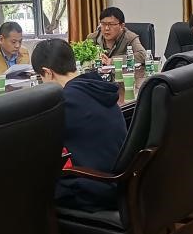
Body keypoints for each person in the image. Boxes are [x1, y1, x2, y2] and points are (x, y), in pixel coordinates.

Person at [32, 39, 126, 212]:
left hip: (96, 190)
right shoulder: (98, 86)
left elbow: (38, 142)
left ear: (48, 72)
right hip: (120, 183)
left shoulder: (66, 101)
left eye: (41, 77)